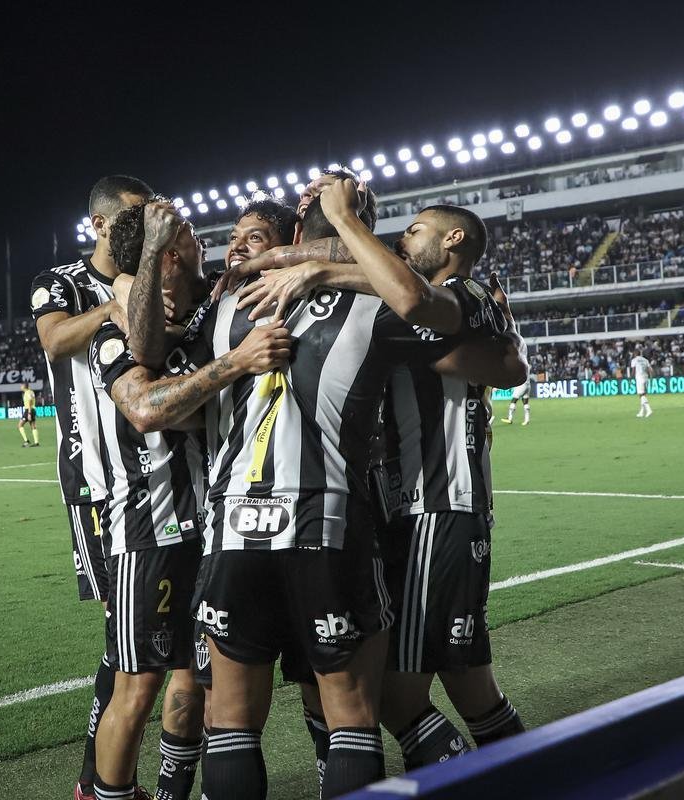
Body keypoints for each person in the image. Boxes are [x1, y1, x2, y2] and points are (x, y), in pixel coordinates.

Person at [190, 179, 508, 799]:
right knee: (363, 711)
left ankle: (511, 777)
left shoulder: (230, 302)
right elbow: (497, 357)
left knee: (231, 719)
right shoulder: (383, 305)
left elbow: (502, 361)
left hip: (239, 521)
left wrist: (270, 266)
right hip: (334, 518)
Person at [91, 197, 292, 800]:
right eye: (190, 237)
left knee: (195, 679)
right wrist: (234, 364)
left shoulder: (212, 315)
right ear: (169, 254)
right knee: (138, 685)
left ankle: (175, 790)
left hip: (214, 525)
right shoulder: (114, 333)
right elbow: (147, 409)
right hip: (146, 527)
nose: (211, 246)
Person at [30, 174, 155, 800]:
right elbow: (54, 341)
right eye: (131, 220)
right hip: (99, 484)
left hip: (166, 478)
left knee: (169, 641)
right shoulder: (61, 283)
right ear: (100, 224)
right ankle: (98, 781)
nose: (141, 231)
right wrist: (114, 305)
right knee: (124, 638)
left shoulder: (158, 274)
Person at [631, 349, 653, 418]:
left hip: (639, 378)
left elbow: (633, 370)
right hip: (646, 377)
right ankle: (642, 412)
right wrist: (651, 378)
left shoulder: (634, 360)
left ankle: (649, 409)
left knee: (641, 395)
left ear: (634, 354)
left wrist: (630, 378)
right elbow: (651, 370)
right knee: (644, 395)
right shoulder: (645, 360)